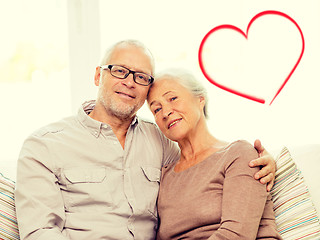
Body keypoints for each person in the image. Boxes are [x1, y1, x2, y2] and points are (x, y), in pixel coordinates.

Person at [15, 40, 276, 240]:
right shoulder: (45, 145)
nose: (130, 82)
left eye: (141, 77)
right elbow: (39, 232)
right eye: (119, 71)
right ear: (98, 76)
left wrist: (265, 162)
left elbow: (205, 167)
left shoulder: (160, 141)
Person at [147, 68, 282, 239]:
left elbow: (236, 234)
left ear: (200, 99)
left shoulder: (238, 154)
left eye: (173, 98)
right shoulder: (164, 176)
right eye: (156, 109)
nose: (165, 112)